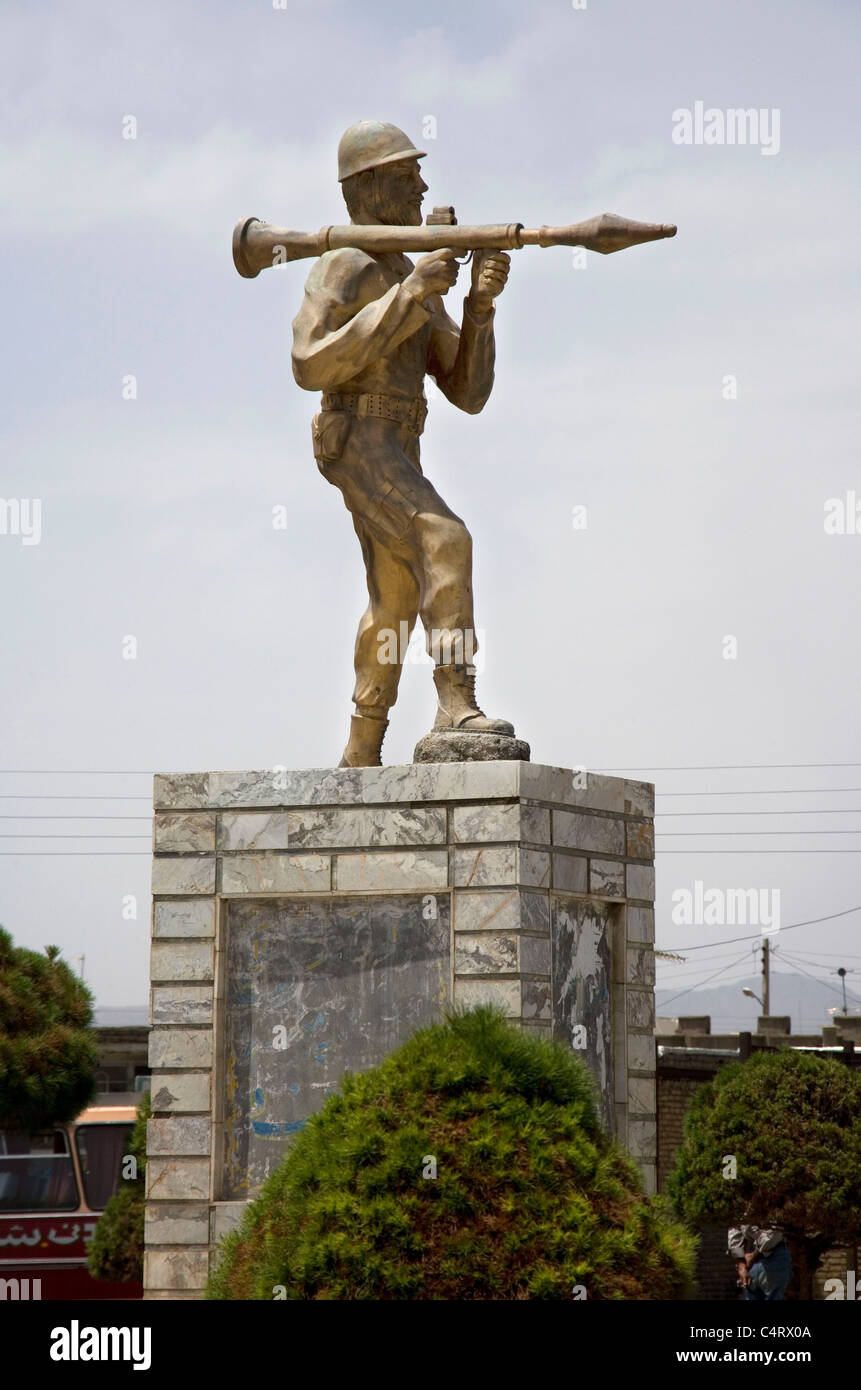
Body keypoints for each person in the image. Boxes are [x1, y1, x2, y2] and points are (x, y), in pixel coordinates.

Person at [291, 120, 517, 767]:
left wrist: (477, 306)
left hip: (400, 443)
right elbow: (309, 362)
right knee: (443, 539)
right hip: (358, 439)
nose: (421, 184)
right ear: (368, 189)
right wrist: (409, 295)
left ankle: (361, 748)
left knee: (393, 599)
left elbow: (466, 391)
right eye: (405, 173)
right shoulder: (348, 266)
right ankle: (455, 699)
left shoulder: (410, 272)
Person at [728, 1224, 792, 1301]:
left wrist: (742, 1265)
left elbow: (734, 1231)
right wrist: (747, 1263)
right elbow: (772, 1234)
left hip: (749, 1259)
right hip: (772, 1256)